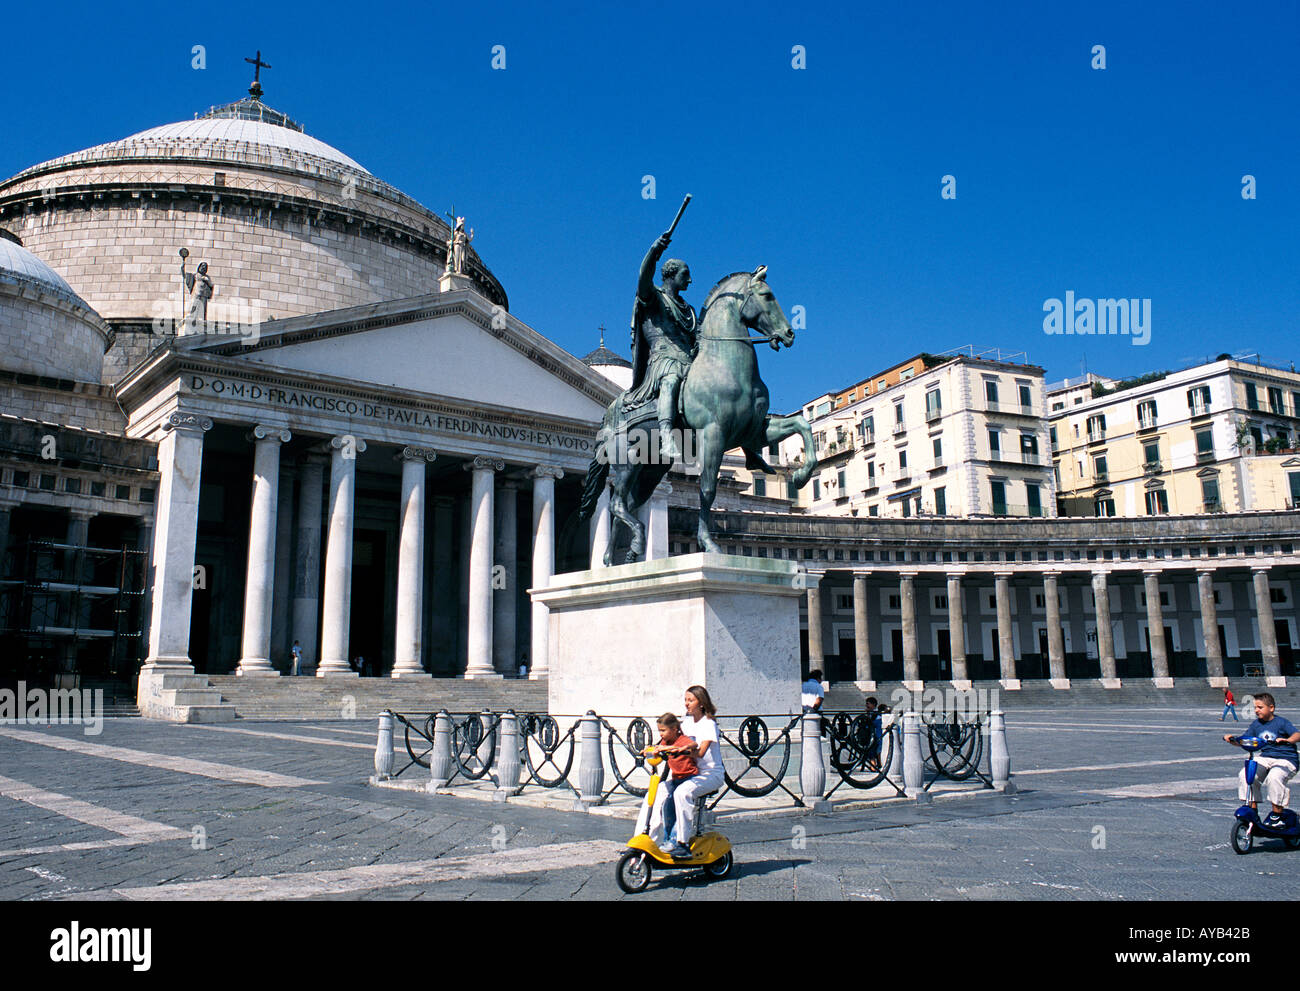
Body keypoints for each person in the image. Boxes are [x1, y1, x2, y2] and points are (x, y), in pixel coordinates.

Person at [626, 229, 697, 462]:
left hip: (689, 360)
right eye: (685, 274)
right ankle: (666, 435)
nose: (690, 280)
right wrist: (655, 251)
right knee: (672, 377)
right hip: (662, 360)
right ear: (670, 275)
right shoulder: (654, 298)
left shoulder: (689, 310)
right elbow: (643, 277)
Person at [1224, 692, 1300, 829]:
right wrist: (1232, 739)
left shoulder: (1281, 722)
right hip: (1266, 757)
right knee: (1246, 774)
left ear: (1271, 708)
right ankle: (1252, 811)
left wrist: (1287, 740)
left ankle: (1278, 815)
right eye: (1255, 707)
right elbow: (1244, 740)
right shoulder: (1256, 725)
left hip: (1286, 759)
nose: (1256, 710)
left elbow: (1297, 734)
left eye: (1260, 707)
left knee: (1274, 777)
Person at [667, 685, 726, 859]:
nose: (686, 704)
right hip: (691, 773)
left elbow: (700, 752)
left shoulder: (708, 724)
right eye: (685, 700)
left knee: (681, 793)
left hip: (711, 774)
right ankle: (651, 839)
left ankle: (682, 843)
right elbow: (671, 738)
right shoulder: (686, 723)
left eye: (690, 700)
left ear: (701, 703)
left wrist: (684, 750)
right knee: (659, 792)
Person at [642, 713, 697, 849]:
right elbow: (657, 749)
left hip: (689, 779)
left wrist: (667, 748)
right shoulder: (665, 741)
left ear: (674, 729)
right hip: (676, 780)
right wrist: (648, 751)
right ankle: (667, 840)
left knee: (679, 808)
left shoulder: (682, 740)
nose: (661, 734)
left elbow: (692, 745)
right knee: (667, 808)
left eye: (663, 730)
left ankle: (675, 840)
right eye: (659, 730)